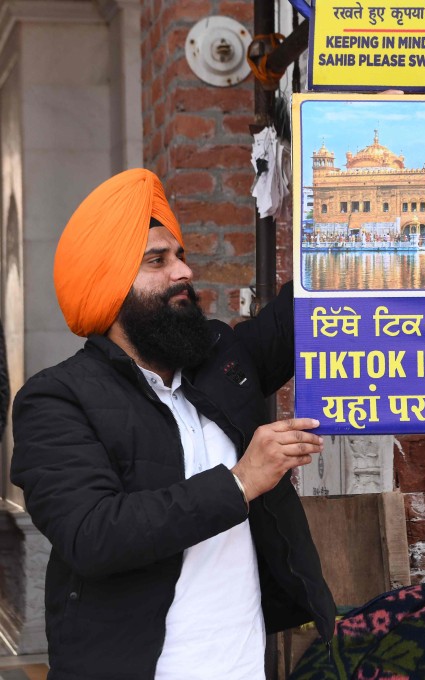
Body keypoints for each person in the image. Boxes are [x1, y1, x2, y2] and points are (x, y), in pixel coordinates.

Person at [11, 169, 335, 679]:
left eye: (180, 255)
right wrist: (241, 482)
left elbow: (304, 310)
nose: (183, 271)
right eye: (157, 261)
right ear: (111, 283)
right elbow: (93, 535)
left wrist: (351, 217)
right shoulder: (56, 398)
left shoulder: (219, 361)